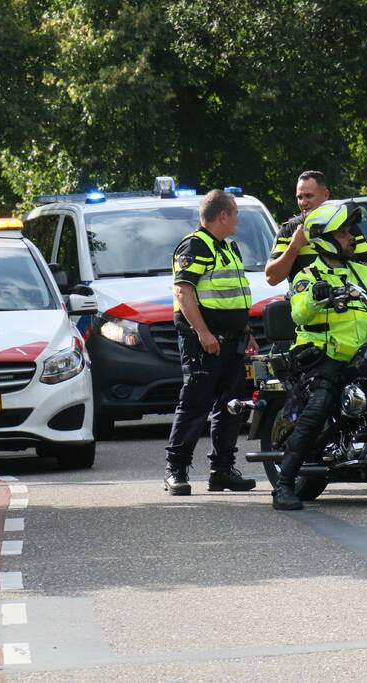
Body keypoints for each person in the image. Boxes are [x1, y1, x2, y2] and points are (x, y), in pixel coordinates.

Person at [272, 202, 367, 511]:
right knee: (319, 405)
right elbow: (299, 311)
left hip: (357, 354)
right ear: (326, 238)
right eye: (343, 233)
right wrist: (317, 297)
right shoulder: (308, 275)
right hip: (322, 354)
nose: (351, 237)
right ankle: (284, 484)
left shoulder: (359, 271)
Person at [164, 190, 260, 495]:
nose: (237, 220)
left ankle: (222, 471)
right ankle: (176, 470)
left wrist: (247, 331)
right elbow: (183, 292)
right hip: (205, 343)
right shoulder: (196, 246)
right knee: (194, 405)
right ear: (223, 215)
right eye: (235, 214)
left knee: (231, 407)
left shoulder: (228, 247)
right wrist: (203, 333)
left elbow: (234, 295)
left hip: (232, 342)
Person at [264, 170, 367, 286]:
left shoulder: (347, 228)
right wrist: (294, 247)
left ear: (326, 195)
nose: (303, 202)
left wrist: (343, 286)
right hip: (303, 297)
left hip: (345, 297)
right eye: (299, 197)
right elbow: (271, 278)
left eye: (309, 196)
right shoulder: (288, 230)